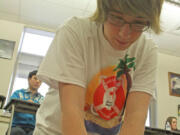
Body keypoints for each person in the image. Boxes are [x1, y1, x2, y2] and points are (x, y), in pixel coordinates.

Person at [33, 0, 164, 135]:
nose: (124, 33)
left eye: (138, 23)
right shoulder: (76, 31)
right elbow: (72, 112)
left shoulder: (147, 50)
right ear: (103, 11)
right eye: (117, 18)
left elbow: (135, 120)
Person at [9, 70, 44, 135]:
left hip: (33, 128)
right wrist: (25, 103)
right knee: (18, 132)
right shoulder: (18, 93)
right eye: (35, 78)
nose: (38, 81)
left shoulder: (42, 99)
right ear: (29, 79)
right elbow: (11, 107)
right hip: (17, 125)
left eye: (40, 80)